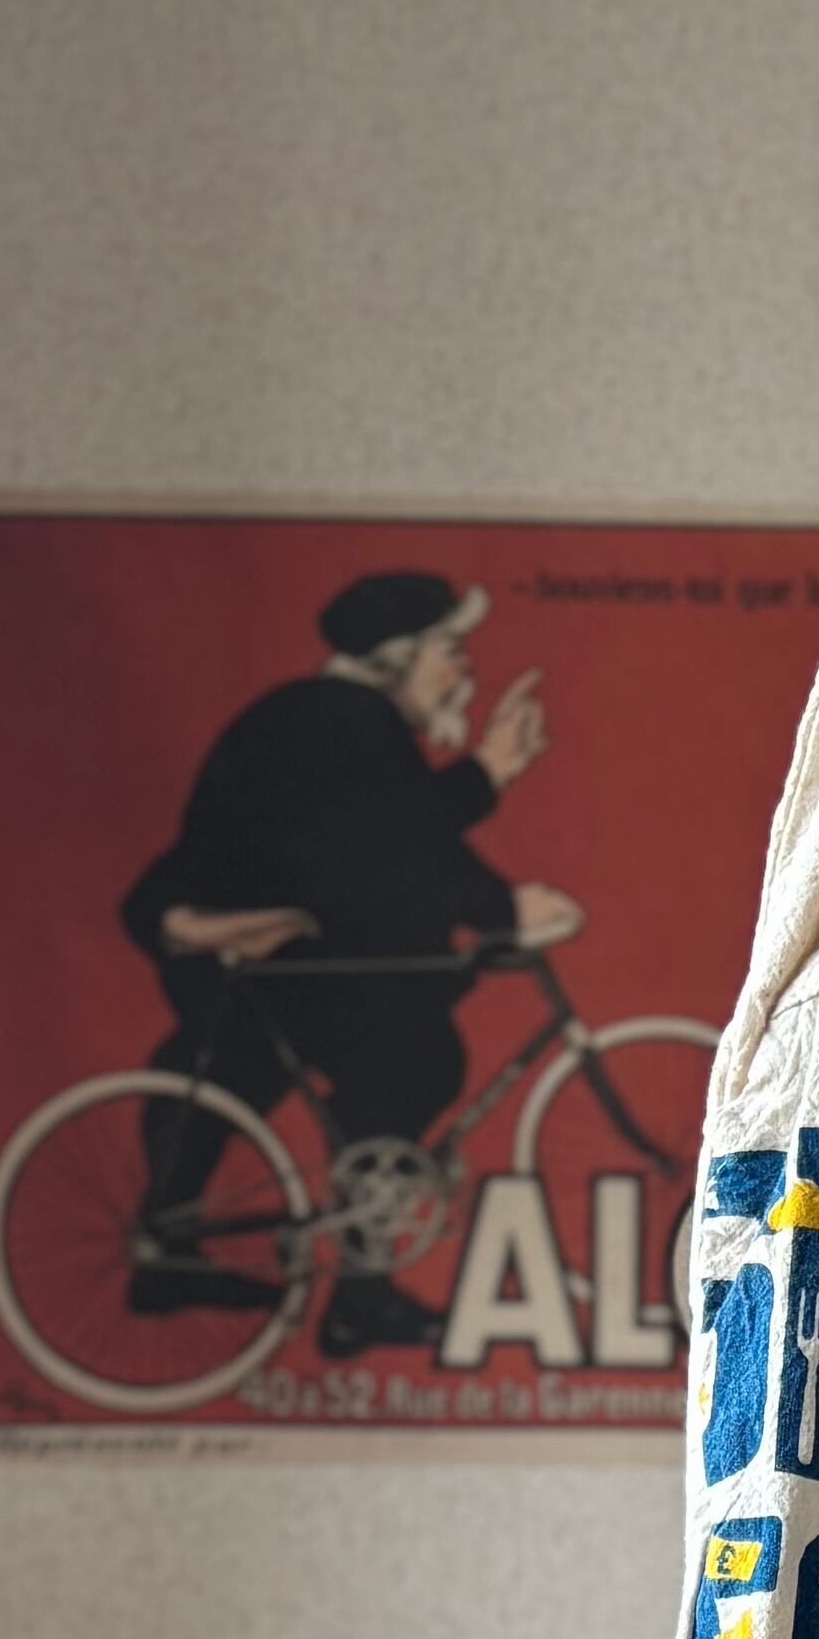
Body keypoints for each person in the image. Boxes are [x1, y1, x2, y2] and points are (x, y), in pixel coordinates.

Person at [116, 570, 582, 1357]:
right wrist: (498, 882)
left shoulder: (327, 716)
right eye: (449, 651)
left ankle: (182, 1256)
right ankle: (357, 1296)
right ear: (394, 658)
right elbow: (395, 844)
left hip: (267, 960)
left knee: (238, 1078)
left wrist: (492, 903)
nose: (462, 672)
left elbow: (392, 843)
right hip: (268, 960)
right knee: (414, 1059)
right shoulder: (340, 717)